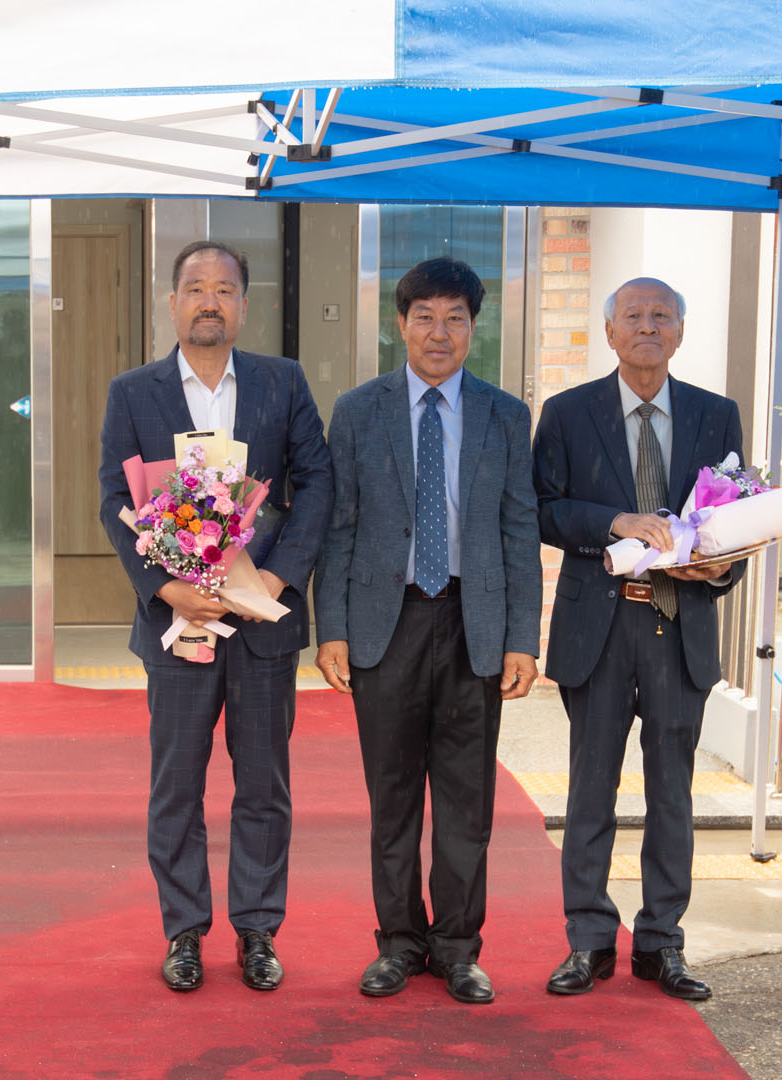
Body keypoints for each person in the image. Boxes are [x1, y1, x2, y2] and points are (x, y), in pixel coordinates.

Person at [97, 240, 331, 994]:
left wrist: (275, 578)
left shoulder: (282, 382)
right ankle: (184, 931)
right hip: (179, 624)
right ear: (172, 304)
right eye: (195, 288)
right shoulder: (133, 392)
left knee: (264, 783)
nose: (209, 301)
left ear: (244, 305)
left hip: (262, 623)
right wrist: (166, 588)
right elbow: (114, 500)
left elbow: (317, 483)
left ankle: (258, 930)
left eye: (224, 290)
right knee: (177, 784)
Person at [314, 257, 541, 1005]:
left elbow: (519, 530)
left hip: (475, 623)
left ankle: (458, 949)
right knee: (393, 798)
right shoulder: (358, 410)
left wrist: (522, 637)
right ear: (400, 324)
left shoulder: (506, 415)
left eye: (455, 320)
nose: (439, 333)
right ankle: (398, 944)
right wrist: (332, 627)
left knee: (467, 801)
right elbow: (339, 525)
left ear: (475, 327)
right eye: (424, 318)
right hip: (387, 622)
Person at [532, 277, 745, 1001]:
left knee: (673, 795)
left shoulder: (717, 414)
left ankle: (662, 943)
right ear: (610, 331)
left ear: (680, 331)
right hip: (598, 627)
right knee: (590, 792)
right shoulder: (567, 413)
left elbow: (736, 514)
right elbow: (542, 510)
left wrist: (722, 566)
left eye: (661, 316)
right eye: (633, 315)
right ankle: (589, 941)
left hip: (679, 626)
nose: (647, 327)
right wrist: (615, 523)